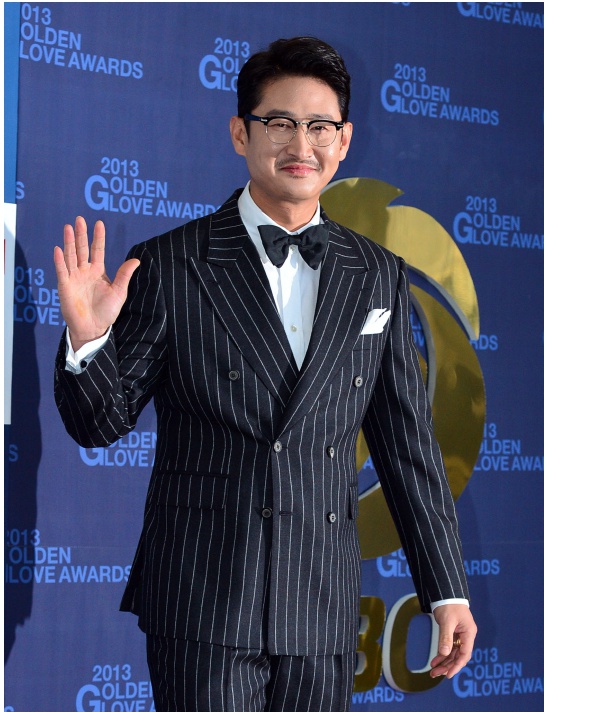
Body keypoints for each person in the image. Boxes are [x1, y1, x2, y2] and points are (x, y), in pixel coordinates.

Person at [54, 36, 476, 712]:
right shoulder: (171, 265)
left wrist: (445, 589)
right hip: (204, 601)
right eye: (279, 123)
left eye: (320, 126)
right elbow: (96, 424)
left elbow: (407, 447)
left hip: (321, 607)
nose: (300, 144)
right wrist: (89, 339)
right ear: (240, 134)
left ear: (344, 141)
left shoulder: (378, 276)